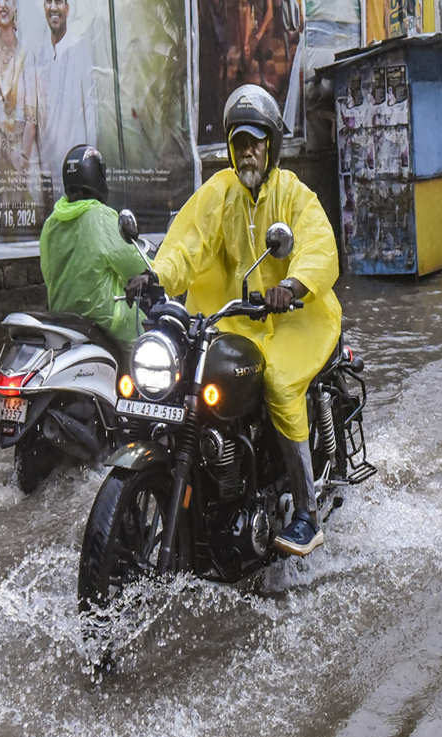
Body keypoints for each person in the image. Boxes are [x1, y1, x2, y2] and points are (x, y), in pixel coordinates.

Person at [145, 84, 341, 557]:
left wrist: (291, 287)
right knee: (184, 375)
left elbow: (319, 246)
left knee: (277, 381)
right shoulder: (221, 192)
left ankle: (306, 515)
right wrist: (154, 277)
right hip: (234, 319)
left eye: (255, 141)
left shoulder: (294, 194)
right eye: (239, 142)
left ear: (271, 145)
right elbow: (188, 243)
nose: (247, 150)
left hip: (296, 318)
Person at [39, 145, 148, 351]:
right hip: (107, 324)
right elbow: (135, 266)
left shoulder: (50, 224)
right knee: (152, 340)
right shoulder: (100, 217)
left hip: (64, 322)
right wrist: (159, 273)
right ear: (97, 177)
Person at [0, 0, 39, 240]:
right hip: (2, 156)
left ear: (16, 5)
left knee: (35, 225)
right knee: (7, 228)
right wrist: (9, 154)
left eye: (9, 0)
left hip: (27, 155)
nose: (3, 5)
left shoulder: (26, 52)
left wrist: (22, 163)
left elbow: (31, 117)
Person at [34, 0, 97, 203]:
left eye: (59, 2)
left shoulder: (80, 48)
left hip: (77, 166)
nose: (53, 8)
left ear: (67, 9)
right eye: (48, 2)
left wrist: (89, 162)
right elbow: (39, 114)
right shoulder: (40, 55)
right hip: (51, 165)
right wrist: (44, 168)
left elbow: (90, 110)